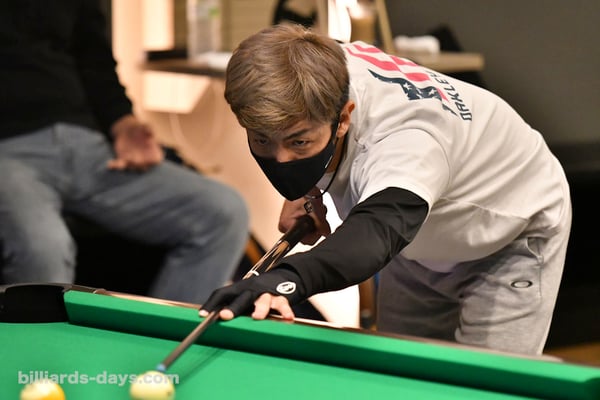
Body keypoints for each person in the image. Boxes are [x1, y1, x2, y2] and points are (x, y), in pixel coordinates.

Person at [200, 24, 572, 355]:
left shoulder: (407, 142)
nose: (280, 159)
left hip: (510, 233)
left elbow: (374, 235)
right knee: (404, 376)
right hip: (416, 241)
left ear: (343, 118)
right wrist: (307, 190)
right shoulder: (315, 64)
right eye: (262, 140)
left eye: (299, 142)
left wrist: (287, 279)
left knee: (483, 389)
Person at [0, 0, 249, 304]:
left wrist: (124, 123)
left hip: (86, 144)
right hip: (9, 150)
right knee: (43, 248)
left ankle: (156, 333)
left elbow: (95, 62)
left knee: (224, 212)